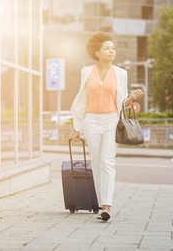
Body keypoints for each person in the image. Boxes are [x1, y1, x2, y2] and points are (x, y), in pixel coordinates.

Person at [70, 32, 143, 221]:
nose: (112, 51)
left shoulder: (121, 73)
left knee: (107, 161)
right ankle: (101, 202)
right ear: (97, 53)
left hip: (112, 121)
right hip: (91, 121)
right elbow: (81, 101)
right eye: (107, 48)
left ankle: (106, 207)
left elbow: (122, 104)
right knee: (96, 164)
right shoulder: (86, 72)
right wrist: (77, 127)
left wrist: (132, 98)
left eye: (113, 48)